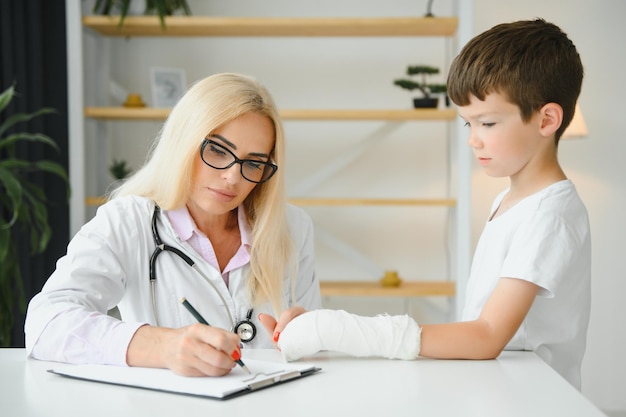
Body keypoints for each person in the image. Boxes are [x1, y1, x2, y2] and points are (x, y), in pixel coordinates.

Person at [274, 18, 590, 390]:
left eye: (487, 123)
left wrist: (335, 330)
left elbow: (488, 335)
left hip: (532, 398)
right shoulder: (513, 199)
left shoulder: (548, 217)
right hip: (502, 389)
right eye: (467, 124)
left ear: (547, 119)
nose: (473, 140)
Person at [25, 73, 321, 377]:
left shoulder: (293, 228)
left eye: (254, 163)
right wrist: (162, 346)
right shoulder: (127, 221)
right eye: (218, 150)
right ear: (184, 140)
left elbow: (315, 351)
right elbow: (46, 323)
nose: (233, 176)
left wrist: (311, 333)